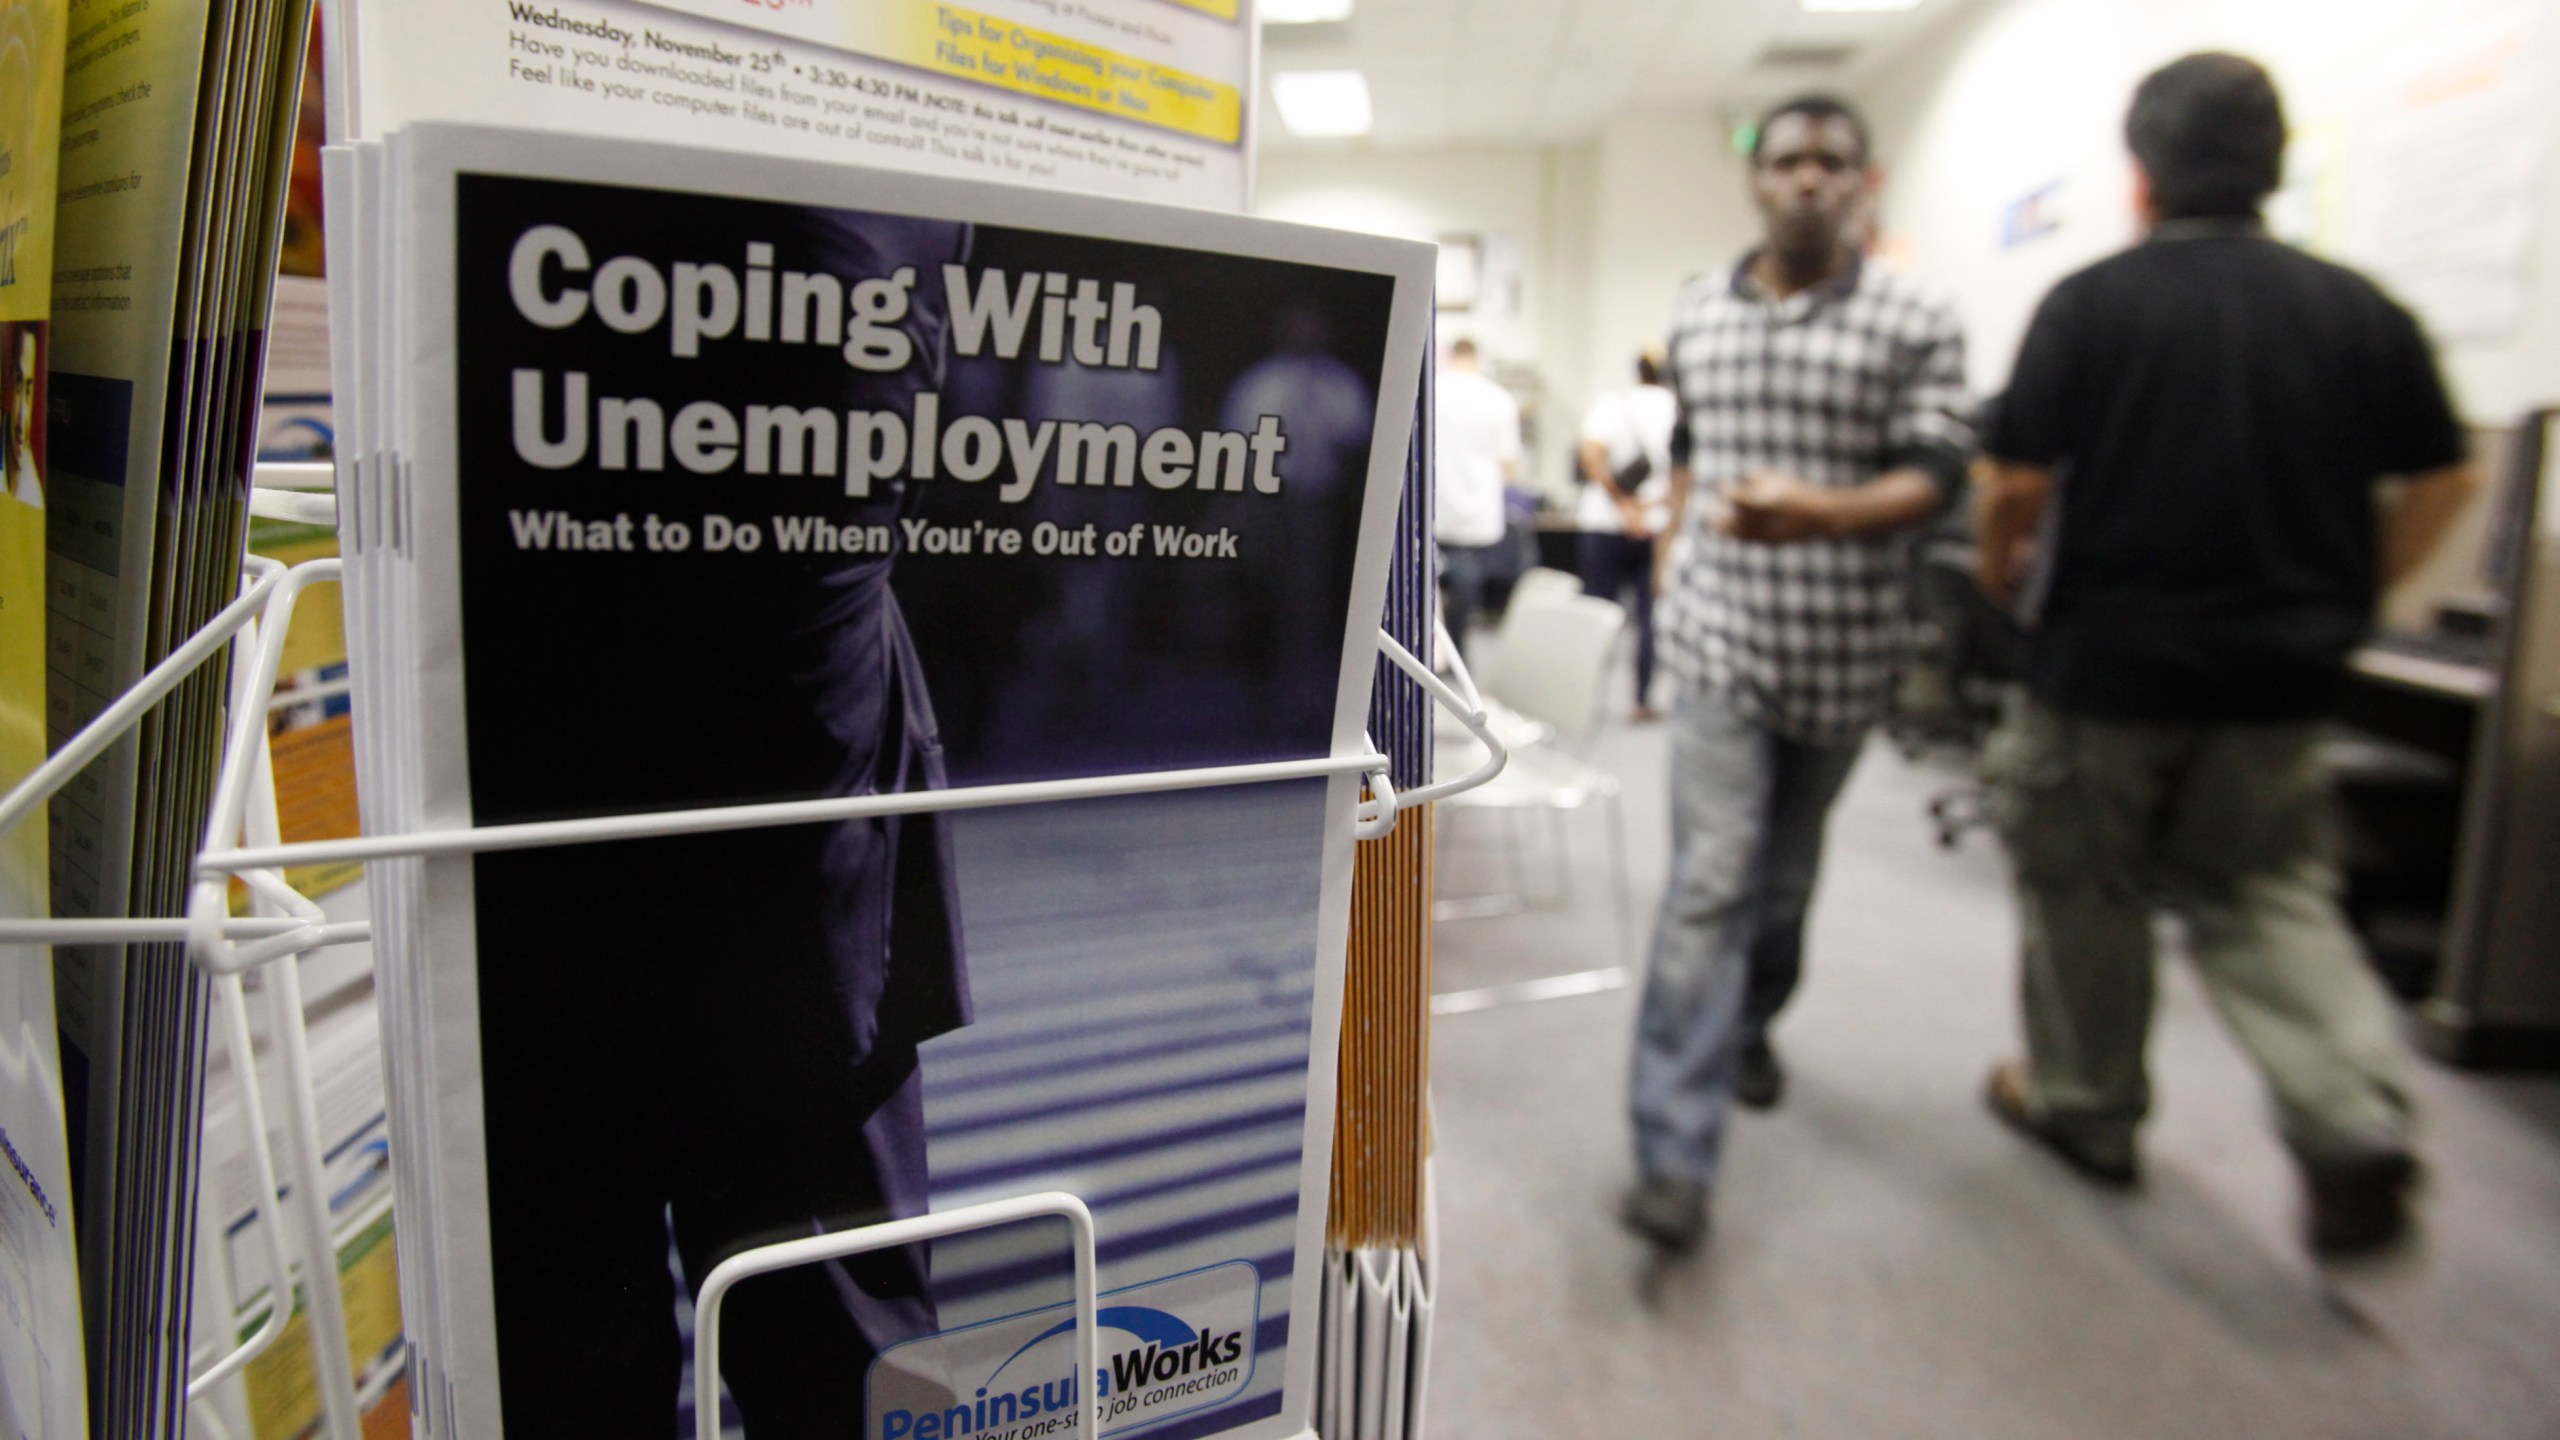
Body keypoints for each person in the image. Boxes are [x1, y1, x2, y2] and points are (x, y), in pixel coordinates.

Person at [1974, 53, 2474, 1255]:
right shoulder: (2357, 308)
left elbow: (2016, 483)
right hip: (2280, 676)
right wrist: (2357, 593)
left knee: (2082, 887)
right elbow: (2446, 477)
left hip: (2109, 667)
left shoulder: (2092, 304)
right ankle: (2347, 1114)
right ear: (2276, 166)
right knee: (2263, 891)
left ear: (2139, 174)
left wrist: (2006, 579)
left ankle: (2087, 1106)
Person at [1621, 95, 1973, 1251]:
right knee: (1712, 879)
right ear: (1756, 182)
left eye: (1832, 163)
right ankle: (1672, 1152)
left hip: (1843, 655)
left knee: (1781, 883)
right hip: (1719, 641)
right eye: (1788, 163)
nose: (1809, 180)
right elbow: (1686, 456)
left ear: (1863, 182)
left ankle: (1753, 1021)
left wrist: (1818, 513)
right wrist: (1671, 568)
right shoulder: (1697, 311)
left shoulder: (1914, 314)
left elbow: (1936, 476)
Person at [1575, 346, 1678, 719]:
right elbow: (1689, 476)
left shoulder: (1613, 403)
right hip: (1657, 528)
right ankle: (1642, 700)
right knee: (1650, 618)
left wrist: (1623, 505)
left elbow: (1591, 457)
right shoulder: (1679, 408)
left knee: (1597, 614)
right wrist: (1648, 508)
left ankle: (1587, 700)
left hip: (1605, 524)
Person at [1434, 337, 1522, 654]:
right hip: (1476, 514)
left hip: (1435, 508)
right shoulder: (1498, 399)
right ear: (1478, 357)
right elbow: (1510, 466)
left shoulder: (1433, 391)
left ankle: (1437, 653)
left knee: (1426, 585)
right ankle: (1458, 651)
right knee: (1465, 583)